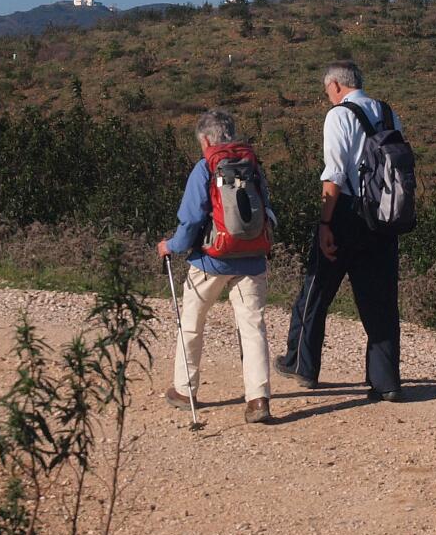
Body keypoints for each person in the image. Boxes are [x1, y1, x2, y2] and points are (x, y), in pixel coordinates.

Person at [275, 62, 403, 402]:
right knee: (380, 302)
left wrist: (325, 223)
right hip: (385, 218)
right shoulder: (389, 113)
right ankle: (386, 381)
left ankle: (301, 364)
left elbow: (334, 175)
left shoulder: (339, 116)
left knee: (316, 288)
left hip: (347, 213)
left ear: (334, 86)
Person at [158, 109, 277, 425]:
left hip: (211, 260)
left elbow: (192, 219)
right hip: (251, 260)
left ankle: (185, 390)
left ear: (207, 138)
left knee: (192, 322)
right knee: (252, 328)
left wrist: (170, 246)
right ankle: (258, 398)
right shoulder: (252, 166)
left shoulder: (204, 168)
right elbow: (266, 208)